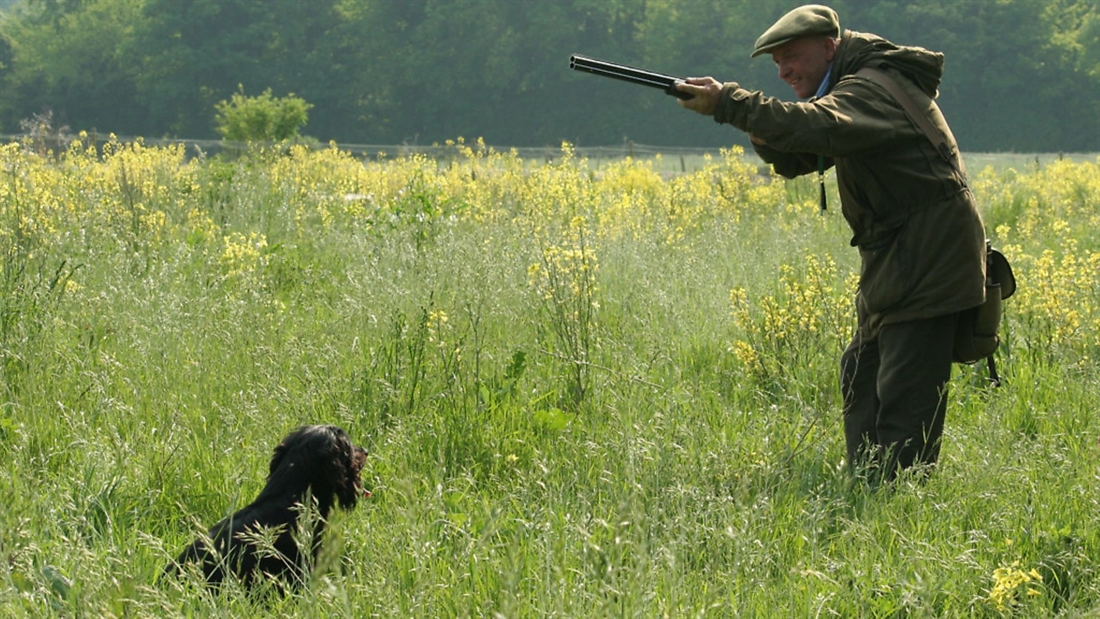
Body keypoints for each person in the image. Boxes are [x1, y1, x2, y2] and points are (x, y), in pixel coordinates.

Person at [675, 4, 987, 481]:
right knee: (861, 373)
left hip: (928, 255)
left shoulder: (869, 89)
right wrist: (751, 120)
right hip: (901, 256)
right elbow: (802, 154)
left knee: (906, 393)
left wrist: (728, 104)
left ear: (829, 48)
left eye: (792, 56)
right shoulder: (855, 87)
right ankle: (866, 486)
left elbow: (817, 127)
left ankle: (899, 502)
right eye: (776, 63)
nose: (783, 71)